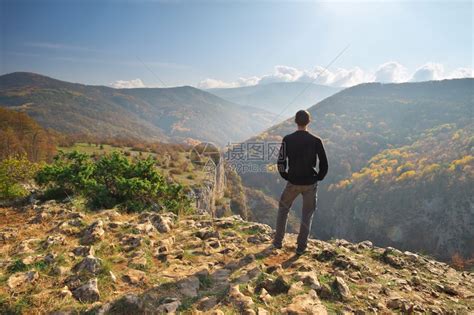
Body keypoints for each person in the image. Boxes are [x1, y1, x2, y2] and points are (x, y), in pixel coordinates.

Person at [273, 109, 328, 255]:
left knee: (283, 209)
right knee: (307, 214)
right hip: (310, 183)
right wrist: (319, 177)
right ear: (308, 122)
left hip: (293, 181)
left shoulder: (288, 139)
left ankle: (278, 242)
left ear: (295, 121)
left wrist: (285, 175)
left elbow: (280, 161)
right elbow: (324, 163)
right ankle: (301, 247)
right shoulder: (316, 141)